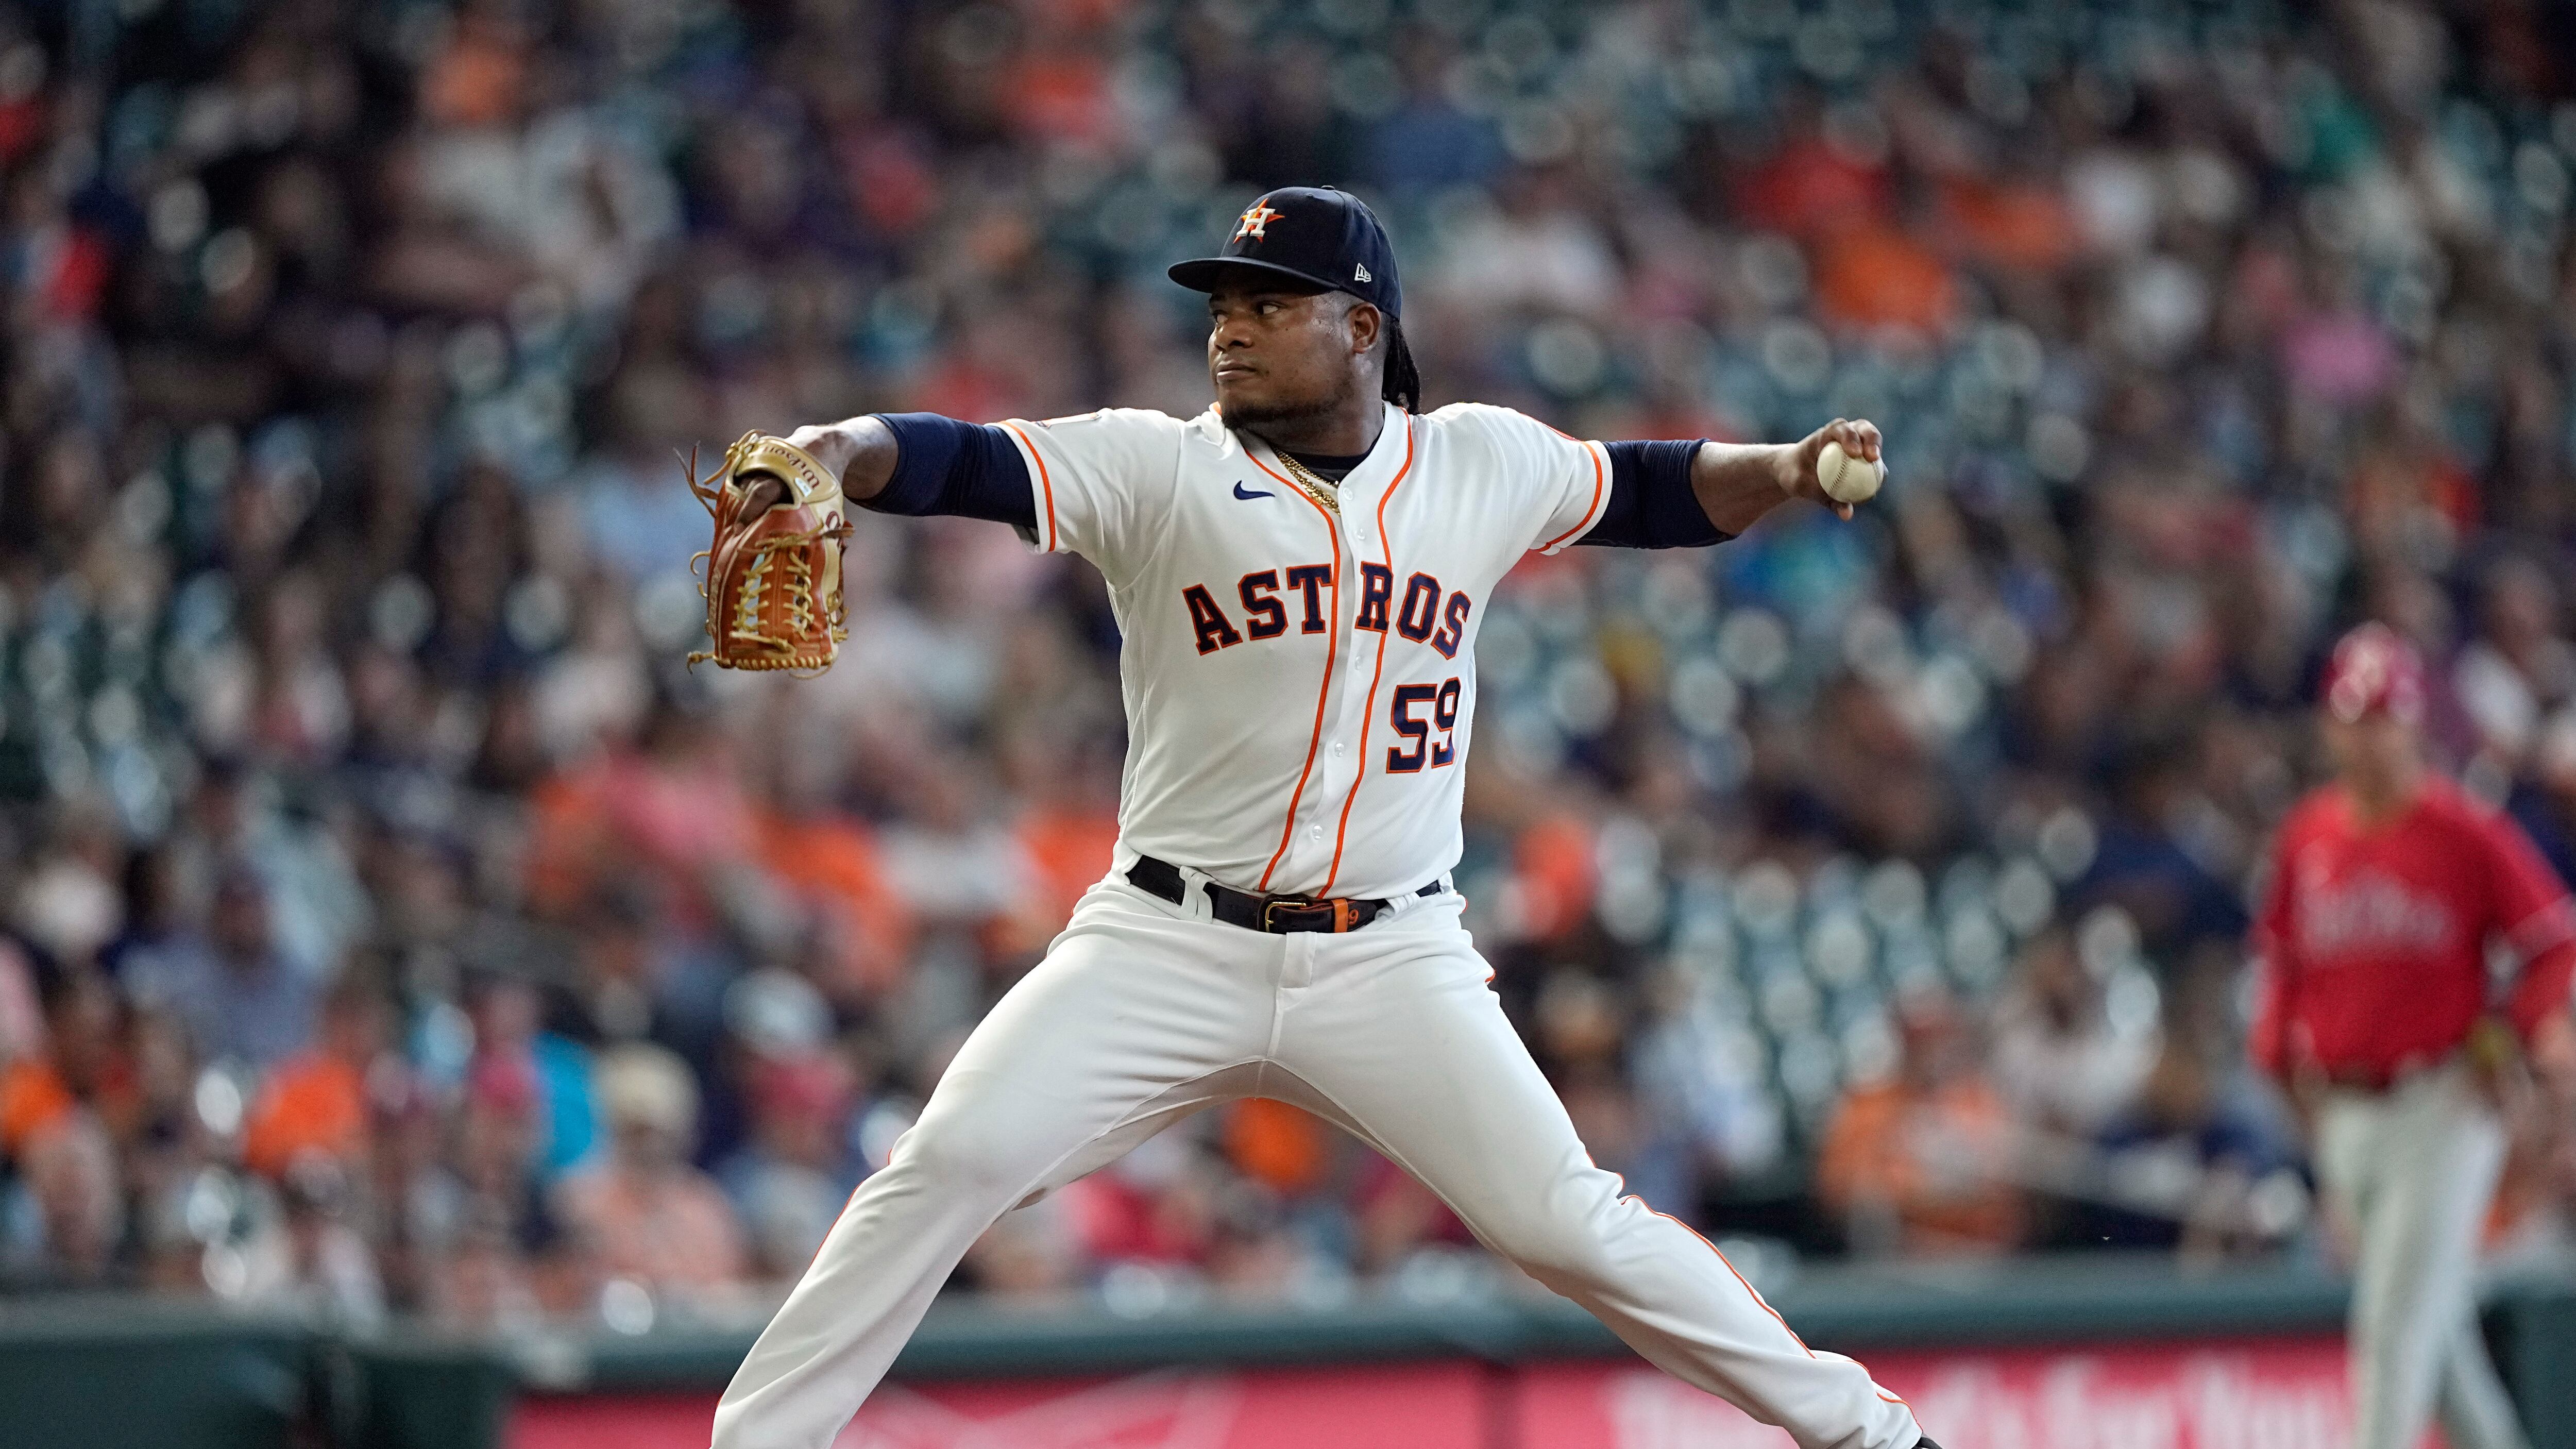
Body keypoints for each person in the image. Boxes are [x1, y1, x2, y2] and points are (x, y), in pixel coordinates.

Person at [707, 188, 1933, 1449]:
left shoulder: (1476, 461)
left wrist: (1785, 468)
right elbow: (961, 459)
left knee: (1567, 1223)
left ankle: (1873, 1433)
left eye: (1267, 305)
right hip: (1166, 940)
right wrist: (838, 446)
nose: (1229, 330)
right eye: (1221, 308)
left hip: (1391, 957)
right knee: (945, 1166)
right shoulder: (1157, 466)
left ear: (1361, 327)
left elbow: (1649, 489)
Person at [2248, 622, 2576, 1449]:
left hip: (2441, 1105)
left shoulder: (2462, 829)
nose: (2369, 738)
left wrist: (2506, 1037)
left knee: (2392, 1331)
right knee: (2441, 1344)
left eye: (2384, 718)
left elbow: (2553, 943)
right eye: (2354, 718)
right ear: (2330, 725)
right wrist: (2277, 1060)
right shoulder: (2309, 834)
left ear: (2415, 723)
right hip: (2343, 1110)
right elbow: (2283, 964)